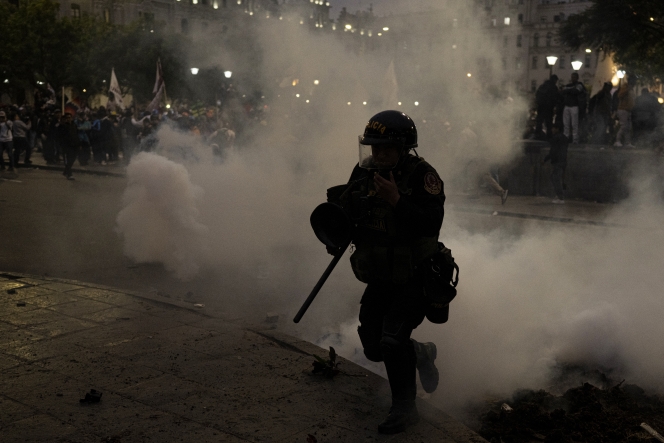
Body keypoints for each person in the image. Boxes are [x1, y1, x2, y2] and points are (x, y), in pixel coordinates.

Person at [328, 111, 444, 434]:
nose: (378, 155)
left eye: (385, 149)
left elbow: (431, 223)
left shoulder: (422, 176)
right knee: (373, 345)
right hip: (381, 274)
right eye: (373, 148)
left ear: (403, 148)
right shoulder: (364, 173)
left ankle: (405, 408)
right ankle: (421, 352)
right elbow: (347, 212)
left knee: (393, 340)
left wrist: (396, 199)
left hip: (414, 276)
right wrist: (334, 233)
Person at [543, 123, 569, 204]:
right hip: (563, 160)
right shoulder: (565, 138)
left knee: (555, 178)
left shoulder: (555, 138)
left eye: (554, 128)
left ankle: (560, 197)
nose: (552, 130)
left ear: (557, 129)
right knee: (556, 178)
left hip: (557, 161)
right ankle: (559, 195)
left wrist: (545, 160)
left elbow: (553, 151)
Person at [561, 72, 586, 144]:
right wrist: (571, 89)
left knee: (574, 124)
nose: (572, 79)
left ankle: (574, 139)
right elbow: (566, 91)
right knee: (567, 124)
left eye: (574, 77)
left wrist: (567, 90)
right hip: (569, 106)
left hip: (574, 106)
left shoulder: (578, 85)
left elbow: (575, 91)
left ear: (577, 78)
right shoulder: (576, 85)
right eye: (572, 77)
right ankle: (568, 138)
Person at [535, 75, 561, 139]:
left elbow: (537, 95)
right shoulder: (553, 87)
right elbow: (556, 97)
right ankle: (549, 135)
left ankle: (538, 134)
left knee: (539, 121)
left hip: (541, 106)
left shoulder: (542, 86)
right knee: (548, 122)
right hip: (549, 107)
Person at [615, 74, 636, 148]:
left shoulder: (631, 88)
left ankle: (627, 142)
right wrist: (627, 90)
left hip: (628, 110)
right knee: (624, 126)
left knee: (628, 127)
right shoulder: (626, 87)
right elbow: (620, 95)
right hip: (623, 109)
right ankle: (617, 141)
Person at [57, 113, 80, 180]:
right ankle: (69, 174)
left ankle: (66, 171)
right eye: (67, 118)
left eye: (69, 117)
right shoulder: (62, 126)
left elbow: (76, 134)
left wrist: (78, 143)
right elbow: (59, 136)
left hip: (74, 145)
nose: (68, 119)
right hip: (66, 145)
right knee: (67, 159)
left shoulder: (74, 125)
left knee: (72, 159)